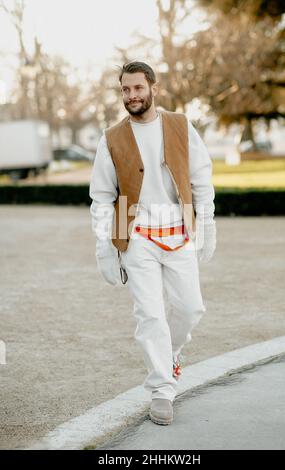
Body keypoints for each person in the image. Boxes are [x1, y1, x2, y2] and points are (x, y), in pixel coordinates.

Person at [89, 61, 216, 426]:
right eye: (125, 90)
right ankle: (162, 388)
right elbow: (101, 196)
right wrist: (105, 247)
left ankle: (171, 353)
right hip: (138, 237)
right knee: (150, 315)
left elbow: (201, 176)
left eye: (138, 88)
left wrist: (206, 222)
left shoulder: (179, 125)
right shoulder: (111, 138)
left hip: (178, 232)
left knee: (191, 308)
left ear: (153, 88)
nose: (131, 96)